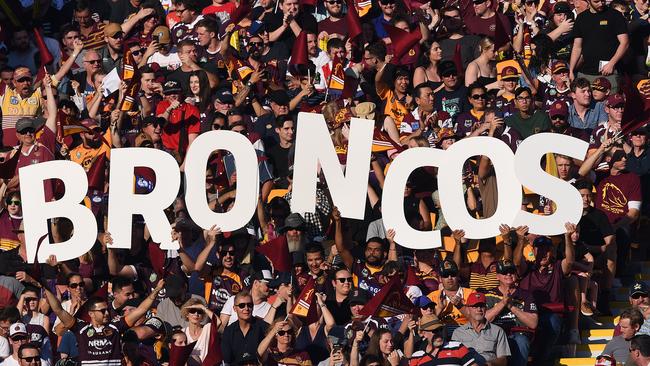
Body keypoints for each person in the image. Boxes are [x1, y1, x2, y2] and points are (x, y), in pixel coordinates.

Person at [451, 292, 511, 365]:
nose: (479, 309)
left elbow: (503, 360)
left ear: (486, 308)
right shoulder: (458, 333)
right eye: (475, 306)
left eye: (482, 306)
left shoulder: (498, 331)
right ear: (468, 309)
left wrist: (489, 364)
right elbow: (454, 358)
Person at [221, 291, 269, 364]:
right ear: (234, 309)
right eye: (242, 305)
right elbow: (227, 359)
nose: (246, 308)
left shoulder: (264, 327)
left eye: (249, 305)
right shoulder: (229, 331)